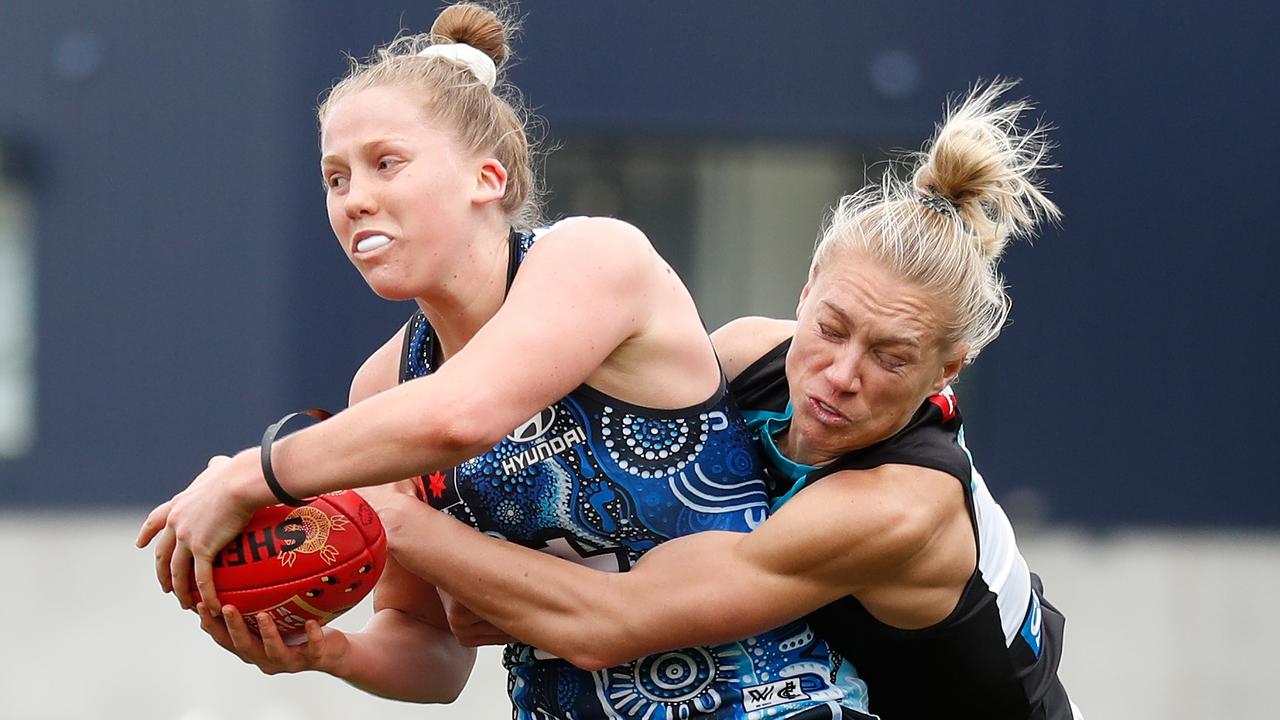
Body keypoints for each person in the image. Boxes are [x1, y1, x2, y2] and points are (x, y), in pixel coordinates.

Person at [136, 4, 870, 719]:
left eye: (385, 163)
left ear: (487, 179)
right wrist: (326, 652)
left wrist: (248, 474)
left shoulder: (595, 258)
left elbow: (463, 415)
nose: (355, 198)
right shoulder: (386, 385)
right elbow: (431, 646)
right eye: (336, 177)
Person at [366, 81, 1082, 720]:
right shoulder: (744, 357)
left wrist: (395, 519)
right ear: (804, 296)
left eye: (891, 357)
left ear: (946, 371)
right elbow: (616, 501)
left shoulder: (903, 506)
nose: (840, 373)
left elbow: (607, 621)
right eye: (830, 329)